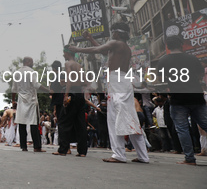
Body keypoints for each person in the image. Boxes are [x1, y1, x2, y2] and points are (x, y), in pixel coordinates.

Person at [70, 23, 150, 163]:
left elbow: (97, 49)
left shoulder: (116, 43)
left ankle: (119, 155)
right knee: (130, 119)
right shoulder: (122, 46)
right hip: (121, 82)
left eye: (113, 32)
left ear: (117, 33)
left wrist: (76, 49)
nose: (111, 34)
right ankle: (143, 156)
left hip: (118, 82)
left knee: (114, 119)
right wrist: (90, 38)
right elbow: (102, 51)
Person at [156, 35, 207, 166]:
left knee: (182, 129)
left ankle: (190, 159)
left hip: (178, 99)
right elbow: (200, 74)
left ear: (167, 46)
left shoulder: (163, 60)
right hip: (196, 97)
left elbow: (160, 79)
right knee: (205, 123)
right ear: (181, 44)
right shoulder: (192, 58)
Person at [53, 46, 88, 157]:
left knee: (63, 121)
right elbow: (84, 81)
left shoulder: (68, 64)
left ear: (68, 53)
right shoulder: (80, 65)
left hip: (72, 94)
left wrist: (66, 95)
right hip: (80, 94)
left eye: (64, 53)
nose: (63, 55)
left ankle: (62, 150)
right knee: (80, 123)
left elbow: (69, 80)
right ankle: (82, 151)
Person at [12, 56, 51, 152]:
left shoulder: (17, 73)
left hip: (21, 100)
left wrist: (13, 101)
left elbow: (14, 89)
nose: (33, 64)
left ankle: (23, 146)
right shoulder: (31, 71)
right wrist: (48, 90)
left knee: (22, 124)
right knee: (33, 124)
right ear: (28, 62)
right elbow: (36, 84)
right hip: (31, 100)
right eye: (32, 62)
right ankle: (37, 147)